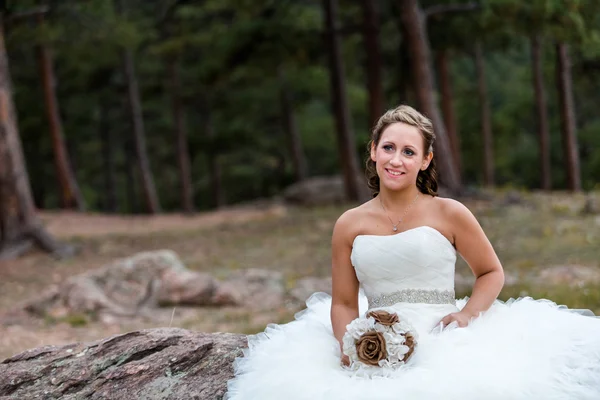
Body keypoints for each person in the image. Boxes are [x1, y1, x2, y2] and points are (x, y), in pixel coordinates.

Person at [226, 105, 600, 400]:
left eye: (409, 151)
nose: (396, 160)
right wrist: (349, 346)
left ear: (425, 160)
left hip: (443, 336)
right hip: (373, 339)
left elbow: (490, 272)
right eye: (388, 148)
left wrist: (467, 315)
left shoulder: (449, 212)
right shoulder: (348, 224)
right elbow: (342, 302)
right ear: (373, 152)